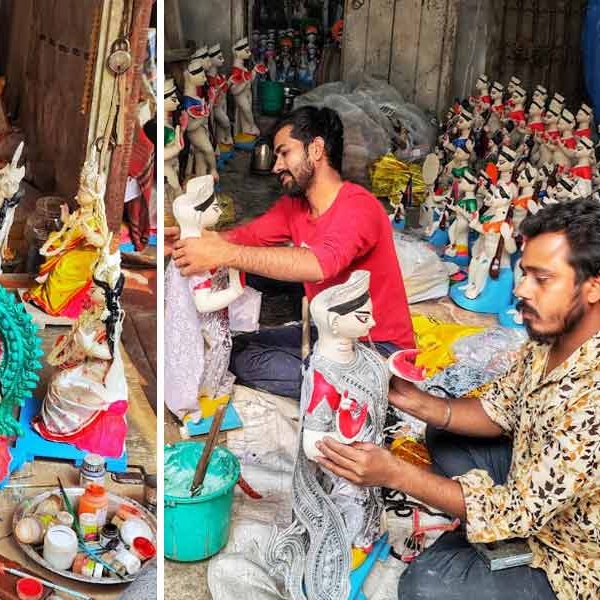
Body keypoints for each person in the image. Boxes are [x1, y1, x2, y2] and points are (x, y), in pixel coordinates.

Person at [313, 199, 600, 600]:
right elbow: (499, 409)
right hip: (533, 483)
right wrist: (417, 402)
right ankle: (479, 528)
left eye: (542, 278)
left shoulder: (593, 398)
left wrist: (395, 474)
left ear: (593, 287)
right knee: (443, 432)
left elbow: (519, 509)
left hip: (571, 553)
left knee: (424, 585)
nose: (520, 289)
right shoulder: (552, 336)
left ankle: (495, 549)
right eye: (524, 274)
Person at [168, 106, 414, 398]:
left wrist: (223, 253)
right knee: (237, 350)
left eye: (284, 153)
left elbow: (318, 265)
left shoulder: (359, 207)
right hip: (327, 335)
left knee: (247, 361)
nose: (276, 166)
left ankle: (365, 386)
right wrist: (198, 238)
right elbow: (246, 237)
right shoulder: (295, 207)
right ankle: (331, 379)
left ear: (317, 149)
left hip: (376, 346)